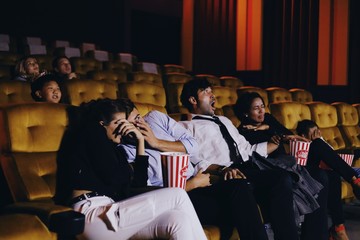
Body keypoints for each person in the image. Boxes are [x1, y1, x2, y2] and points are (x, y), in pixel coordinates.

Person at [54, 98, 207, 240]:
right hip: (91, 214)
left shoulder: (116, 149)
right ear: (102, 123)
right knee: (177, 194)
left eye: (125, 123)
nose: (124, 128)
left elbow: (137, 183)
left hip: (111, 210)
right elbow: (114, 178)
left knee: (177, 220)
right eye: (119, 123)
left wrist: (140, 141)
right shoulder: (91, 132)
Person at [119, 98, 268, 240]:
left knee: (239, 185)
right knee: (235, 208)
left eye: (139, 117)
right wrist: (195, 183)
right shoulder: (126, 151)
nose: (140, 125)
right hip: (179, 196)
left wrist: (156, 142)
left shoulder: (155, 118)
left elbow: (193, 145)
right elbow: (148, 193)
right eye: (132, 124)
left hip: (199, 182)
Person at [179, 77, 300, 240]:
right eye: (206, 92)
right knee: (241, 185)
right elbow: (196, 161)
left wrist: (272, 143)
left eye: (212, 91)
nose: (213, 96)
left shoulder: (224, 120)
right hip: (221, 175)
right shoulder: (185, 127)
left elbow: (247, 149)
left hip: (246, 167)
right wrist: (221, 170)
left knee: (281, 177)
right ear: (193, 100)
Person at [234, 92, 329, 240]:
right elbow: (254, 158)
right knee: (289, 179)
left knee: (321, 176)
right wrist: (267, 131)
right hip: (269, 170)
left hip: (287, 165)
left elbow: (287, 134)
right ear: (245, 113)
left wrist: (267, 128)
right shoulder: (242, 133)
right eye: (256, 108)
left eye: (262, 106)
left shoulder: (269, 120)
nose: (261, 111)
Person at [296, 119, 360, 240]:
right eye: (313, 134)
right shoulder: (298, 143)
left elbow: (330, 155)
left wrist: (320, 141)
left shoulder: (319, 144)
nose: (317, 136)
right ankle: (354, 179)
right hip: (302, 171)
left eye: (317, 133)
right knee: (316, 145)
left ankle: (339, 228)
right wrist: (316, 142)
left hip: (318, 172)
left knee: (333, 176)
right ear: (303, 135)